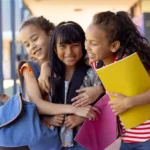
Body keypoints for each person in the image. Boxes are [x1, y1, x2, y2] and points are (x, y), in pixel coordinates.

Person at [85, 11, 150, 150]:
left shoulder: (132, 62)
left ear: (114, 46)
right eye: (86, 40)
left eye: (93, 43)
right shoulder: (98, 64)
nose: (87, 47)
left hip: (147, 138)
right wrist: (46, 67)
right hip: (127, 139)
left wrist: (128, 102)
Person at [48, 21, 102, 149]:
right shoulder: (49, 76)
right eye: (63, 46)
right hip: (54, 141)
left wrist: (81, 118)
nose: (69, 51)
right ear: (55, 49)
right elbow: (38, 104)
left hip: (84, 140)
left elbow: (105, 103)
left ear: (83, 46)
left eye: (75, 45)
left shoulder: (91, 73)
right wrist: (48, 119)